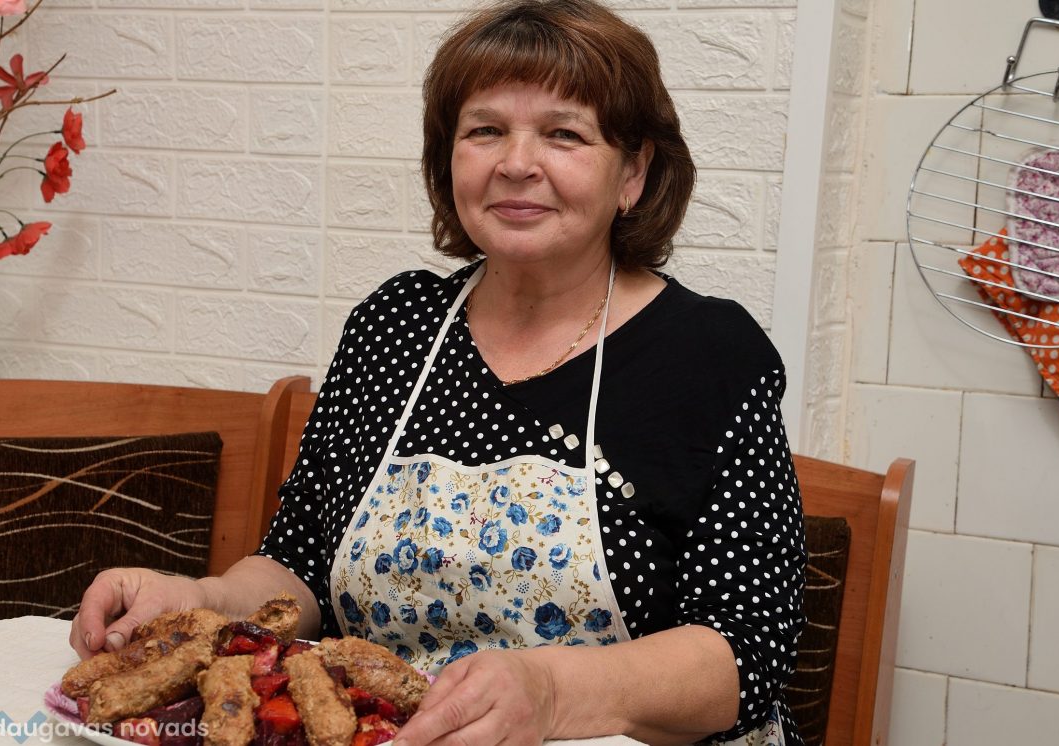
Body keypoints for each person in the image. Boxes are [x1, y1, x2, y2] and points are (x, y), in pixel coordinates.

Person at [70, 1, 807, 744]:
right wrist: (201, 597)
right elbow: (298, 566)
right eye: (485, 131)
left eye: (563, 134)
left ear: (634, 172)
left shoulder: (709, 355)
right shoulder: (394, 326)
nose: (516, 163)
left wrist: (552, 693)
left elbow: (747, 652)